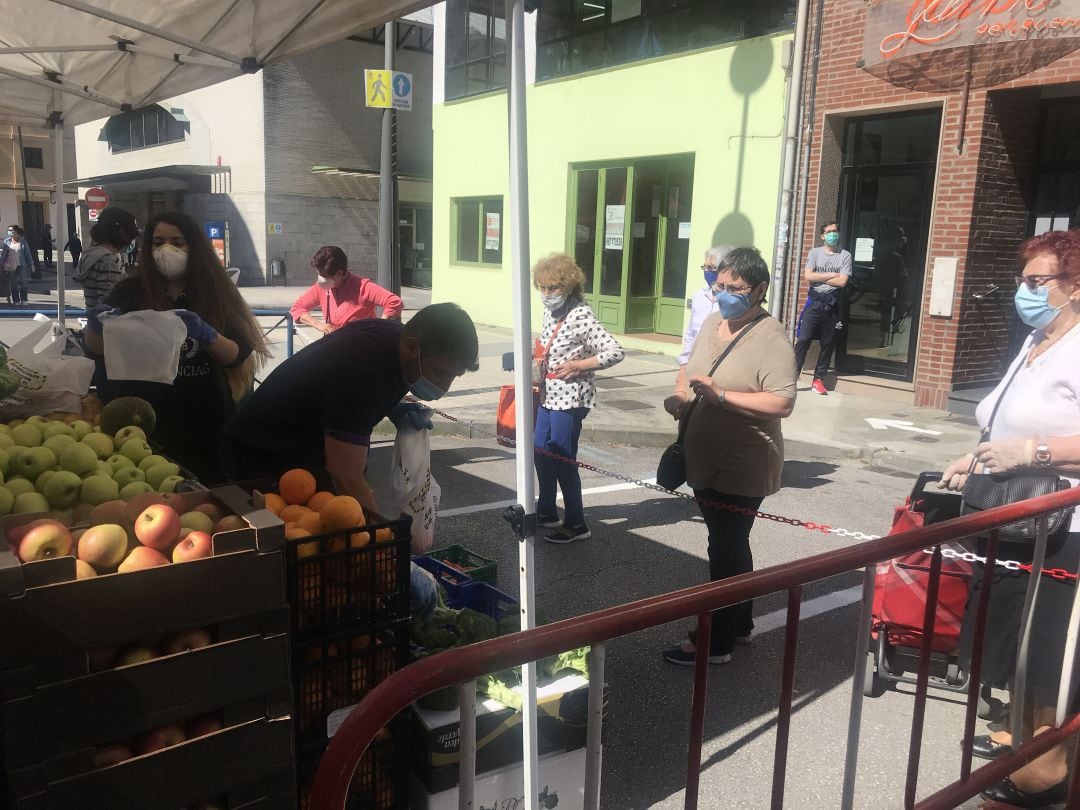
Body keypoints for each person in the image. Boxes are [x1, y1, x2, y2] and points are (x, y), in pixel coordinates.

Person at [939, 229, 1080, 808]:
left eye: (1036, 281)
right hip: (1014, 514)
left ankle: (1044, 774)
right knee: (1011, 642)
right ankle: (1024, 740)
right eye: (1022, 281)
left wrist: (1035, 452)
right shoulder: (1036, 342)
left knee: (1046, 654)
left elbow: (1041, 437)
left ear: (1074, 287)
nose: (1023, 292)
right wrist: (978, 453)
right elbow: (1003, 417)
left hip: (1063, 528)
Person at [661, 246, 796, 665]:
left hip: (743, 461)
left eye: (734, 288)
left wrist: (721, 395)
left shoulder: (771, 337)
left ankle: (714, 642)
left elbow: (782, 402)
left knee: (725, 548)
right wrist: (680, 394)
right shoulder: (713, 323)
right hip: (705, 456)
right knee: (731, 544)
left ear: (757, 290)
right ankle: (739, 625)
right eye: (719, 285)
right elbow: (689, 367)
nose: (723, 294)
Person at [221, 303, 478, 514]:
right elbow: (346, 476)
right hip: (261, 461)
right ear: (411, 347)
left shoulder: (393, 339)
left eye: (454, 376)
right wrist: (383, 537)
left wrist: (392, 405)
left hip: (299, 457)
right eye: (440, 373)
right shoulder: (363, 370)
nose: (444, 385)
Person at [83, 211, 268, 483]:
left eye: (177, 242)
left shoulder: (216, 292)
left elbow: (236, 354)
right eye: (157, 242)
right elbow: (96, 350)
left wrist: (207, 334)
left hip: (204, 421)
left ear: (194, 246)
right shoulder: (129, 291)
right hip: (142, 423)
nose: (165, 250)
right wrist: (96, 327)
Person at [532, 253, 624, 544]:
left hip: (571, 398)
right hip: (549, 393)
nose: (546, 294)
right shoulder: (552, 311)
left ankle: (576, 523)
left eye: (553, 288)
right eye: (542, 288)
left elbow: (615, 351)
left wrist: (578, 365)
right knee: (539, 450)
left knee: (562, 457)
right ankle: (547, 510)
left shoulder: (580, 315)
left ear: (569, 286)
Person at [289, 245, 404, 334]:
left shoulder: (363, 287)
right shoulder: (320, 288)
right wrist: (317, 324)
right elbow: (297, 308)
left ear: (339, 274)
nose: (319, 279)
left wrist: (379, 327)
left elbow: (395, 302)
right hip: (335, 348)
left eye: (323, 276)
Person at [793, 221, 851, 395]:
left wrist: (820, 278)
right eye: (829, 231)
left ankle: (818, 379)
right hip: (815, 302)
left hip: (833, 304)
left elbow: (842, 281)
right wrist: (831, 275)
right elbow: (808, 276)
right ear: (822, 236)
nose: (833, 234)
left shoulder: (845, 255)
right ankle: (792, 376)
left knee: (828, 343)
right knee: (803, 339)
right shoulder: (815, 253)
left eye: (835, 231)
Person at [674, 245, 733, 396]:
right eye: (705, 267)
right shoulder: (699, 296)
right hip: (695, 366)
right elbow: (691, 334)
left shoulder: (730, 300)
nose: (708, 271)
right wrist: (683, 365)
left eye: (712, 267)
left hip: (719, 370)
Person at [75, 208, 139, 308]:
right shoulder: (107, 260)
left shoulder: (92, 253)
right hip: (107, 320)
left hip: (94, 316)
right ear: (122, 234)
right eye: (130, 235)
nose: (131, 240)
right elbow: (109, 301)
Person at [1, 226, 34, 305]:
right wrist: (1, 265)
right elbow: (3, 255)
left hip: (21, 265)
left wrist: (31, 264)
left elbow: (27, 253)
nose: (9, 232)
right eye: (8, 230)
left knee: (24, 283)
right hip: (11, 266)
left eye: (11, 231)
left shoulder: (23, 242)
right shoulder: (7, 241)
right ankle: (16, 300)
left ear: (16, 232)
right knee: (13, 283)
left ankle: (24, 299)